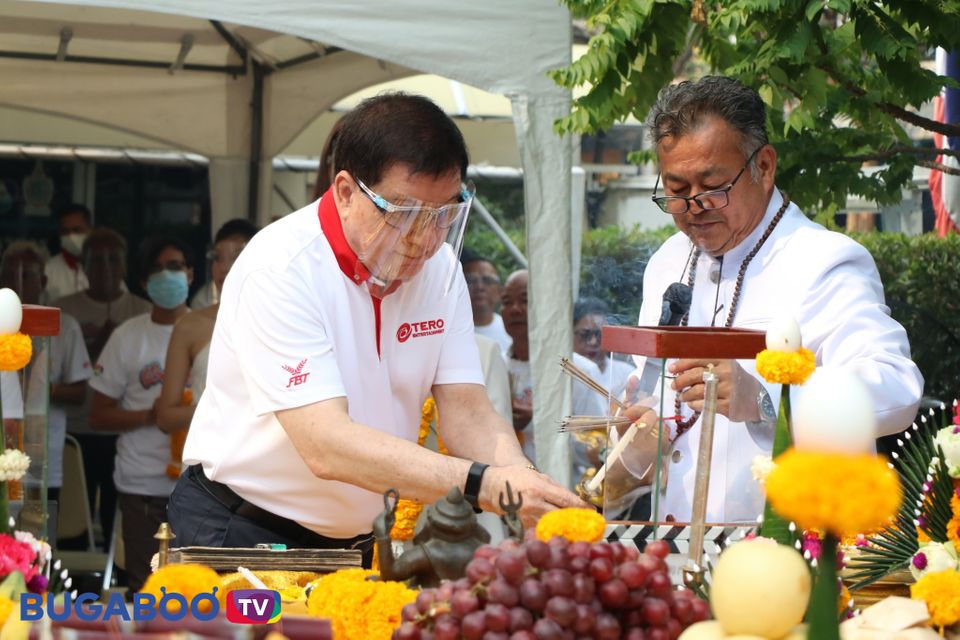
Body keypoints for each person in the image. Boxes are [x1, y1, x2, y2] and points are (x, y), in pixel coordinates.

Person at [168, 93, 584, 561]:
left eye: (444, 215)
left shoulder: (440, 268)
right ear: (346, 192)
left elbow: (466, 409)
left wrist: (521, 480)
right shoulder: (281, 268)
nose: (424, 241)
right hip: (243, 527)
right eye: (405, 215)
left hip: (363, 538)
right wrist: (484, 484)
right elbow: (325, 444)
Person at [621, 76, 923, 523]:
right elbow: (659, 395)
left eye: (713, 185)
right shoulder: (668, 260)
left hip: (793, 549)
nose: (694, 205)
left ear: (764, 166)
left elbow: (897, 387)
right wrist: (640, 419)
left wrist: (764, 399)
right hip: (678, 546)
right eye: (677, 190)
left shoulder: (824, 260)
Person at [88, 237, 193, 592]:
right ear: (144, 283)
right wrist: (151, 416)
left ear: (191, 275)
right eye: (158, 269)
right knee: (145, 588)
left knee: (196, 593)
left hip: (198, 486)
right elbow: (97, 414)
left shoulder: (211, 331)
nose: (168, 275)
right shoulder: (128, 336)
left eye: (176, 267)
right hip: (142, 487)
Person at [56, 228, 151, 549]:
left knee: (119, 520)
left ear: (124, 266)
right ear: (83, 266)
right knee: (71, 519)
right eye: (97, 260)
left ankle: (119, 578)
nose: (106, 267)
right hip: (74, 430)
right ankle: (71, 581)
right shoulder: (63, 311)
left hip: (123, 433)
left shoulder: (143, 311)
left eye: (114, 259)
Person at [156, 219, 259, 473]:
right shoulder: (190, 326)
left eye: (237, 256)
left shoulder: (281, 321)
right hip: (205, 466)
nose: (224, 267)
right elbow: (166, 417)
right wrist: (219, 404)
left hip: (258, 467)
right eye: (217, 257)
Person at [0, 242, 91, 504]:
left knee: (37, 531)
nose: (17, 280)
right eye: (9, 273)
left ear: (42, 280)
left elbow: (80, 394)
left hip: (42, 452)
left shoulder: (64, 325)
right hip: (2, 448)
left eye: (26, 274)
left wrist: (39, 387)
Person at [501, 269, 606, 477]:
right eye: (506, 301)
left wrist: (538, 422)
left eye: (525, 300)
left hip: (562, 491)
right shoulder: (494, 365)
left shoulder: (580, 371)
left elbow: (600, 448)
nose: (515, 309)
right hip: (502, 494)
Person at [573, 297, 635, 401]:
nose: (593, 342)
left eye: (599, 334)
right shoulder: (563, 377)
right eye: (585, 334)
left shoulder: (628, 376)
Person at [462, 253, 512, 353]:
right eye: (471, 280)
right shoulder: (449, 333)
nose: (479, 287)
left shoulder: (512, 330)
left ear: (500, 291)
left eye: (487, 280)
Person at [45, 203, 92, 302]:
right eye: (65, 231)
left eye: (77, 230)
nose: (71, 236)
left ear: (90, 230)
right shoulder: (48, 271)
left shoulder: (104, 269)